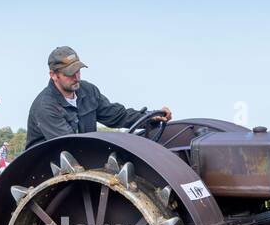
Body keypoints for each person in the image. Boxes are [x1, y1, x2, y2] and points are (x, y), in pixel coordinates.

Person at [25, 46, 170, 151]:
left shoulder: (88, 91)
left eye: (78, 71)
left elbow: (117, 116)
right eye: (70, 74)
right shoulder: (46, 106)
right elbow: (70, 145)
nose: (76, 77)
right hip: (47, 168)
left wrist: (148, 118)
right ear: (53, 75)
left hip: (80, 158)